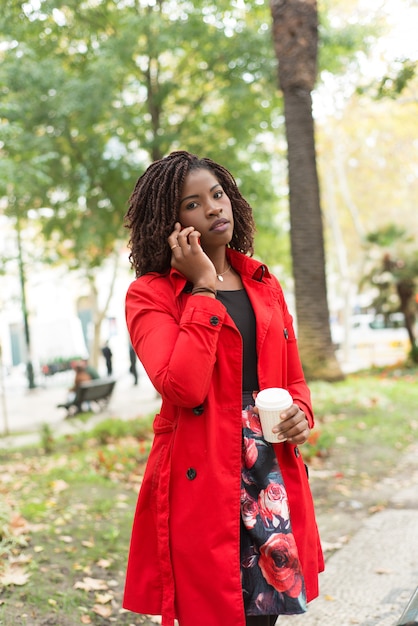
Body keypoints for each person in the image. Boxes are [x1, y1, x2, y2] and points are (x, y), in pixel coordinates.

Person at [123, 151, 324, 626]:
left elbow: (292, 378)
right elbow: (183, 387)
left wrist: (300, 412)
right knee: (215, 611)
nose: (214, 208)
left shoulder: (263, 282)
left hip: (269, 472)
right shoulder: (149, 295)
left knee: (264, 612)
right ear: (171, 224)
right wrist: (204, 289)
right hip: (204, 473)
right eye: (193, 204)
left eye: (217, 195)